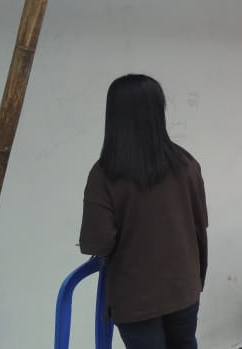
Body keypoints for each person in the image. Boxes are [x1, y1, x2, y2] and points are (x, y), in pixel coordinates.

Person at [79, 74, 208, 349]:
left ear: (113, 116)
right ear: (158, 111)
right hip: (184, 287)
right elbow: (200, 224)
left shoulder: (104, 174)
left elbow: (98, 242)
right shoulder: (186, 164)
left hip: (135, 298)